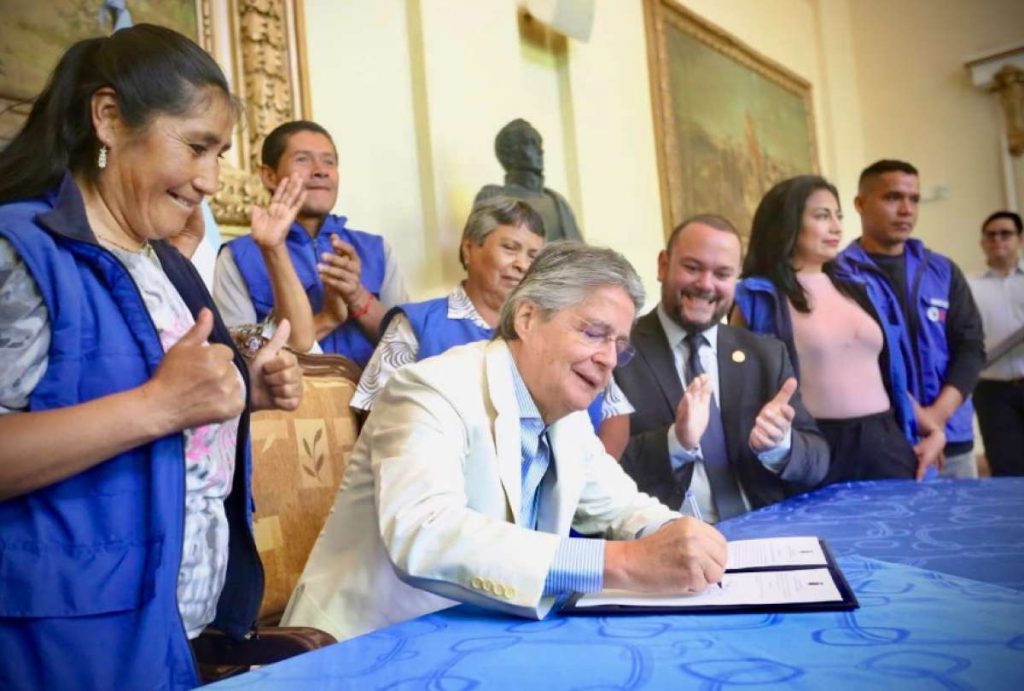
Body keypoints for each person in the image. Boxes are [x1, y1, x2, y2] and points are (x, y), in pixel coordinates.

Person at [0, 25, 303, 691]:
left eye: (220, 154)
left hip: (168, 628)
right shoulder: (21, 251)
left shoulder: (165, 263)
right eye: (196, 146)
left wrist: (240, 388)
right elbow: (150, 402)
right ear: (108, 118)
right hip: (62, 642)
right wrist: (158, 405)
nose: (208, 179)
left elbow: (158, 391)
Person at [281, 242, 727, 642]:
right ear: (528, 318)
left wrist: (677, 535)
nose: (608, 358)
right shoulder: (429, 389)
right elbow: (425, 532)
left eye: (619, 344)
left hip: (477, 636)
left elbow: (623, 506)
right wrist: (623, 561)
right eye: (593, 333)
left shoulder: (565, 417)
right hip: (364, 646)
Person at [351, 196, 634, 454]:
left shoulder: (560, 328)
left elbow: (613, 411)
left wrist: (585, 483)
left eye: (533, 255)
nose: (522, 264)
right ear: (469, 249)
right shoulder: (418, 324)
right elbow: (375, 412)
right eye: (510, 248)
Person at [614, 215, 829, 523]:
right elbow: (595, 467)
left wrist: (780, 445)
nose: (705, 285)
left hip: (763, 529)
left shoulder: (765, 354)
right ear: (663, 265)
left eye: (722, 273)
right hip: (668, 538)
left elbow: (818, 460)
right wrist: (676, 442)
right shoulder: (617, 350)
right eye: (692, 268)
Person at [733, 175, 941, 483]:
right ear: (787, 223)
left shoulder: (861, 289)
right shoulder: (758, 297)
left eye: (838, 216)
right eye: (821, 216)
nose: (836, 226)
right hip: (816, 446)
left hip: (886, 440)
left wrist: (933, 429)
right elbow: (743, 393)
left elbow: (886, 377)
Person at [214, 120, 408, 366]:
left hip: (376, 401)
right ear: (270, 176)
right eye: (303, 159)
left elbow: (408, 348)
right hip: (292, 402)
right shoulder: (238, 257)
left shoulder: (375, 249)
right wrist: (327, 319)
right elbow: (241, 364)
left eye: (329, 161)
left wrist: (357, 297)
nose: (320, 171)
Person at [836, 160, 985, 478]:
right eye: (892, 198)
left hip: (953, 440)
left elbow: (971, 348)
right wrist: (921, 420)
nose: (906, 210)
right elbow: (851, 362)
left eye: (914, 199)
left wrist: (936, 417)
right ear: (860, 204)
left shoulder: (942, 270)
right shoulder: (837, 275)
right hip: (885, 442)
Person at [968, 210, 1024, 476]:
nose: (997, 239)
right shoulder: (968, 286)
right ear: (982, 242)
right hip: (991, 390)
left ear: (1020, 239)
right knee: (1006, 466)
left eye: (1006, 233)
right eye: (990, 235)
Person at [475, 118, 584, 242]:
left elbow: (581, 255)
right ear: (509, 154)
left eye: (539, 144)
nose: (540, 151)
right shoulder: (493, 198)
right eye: (531, 143)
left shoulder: (557, 201)